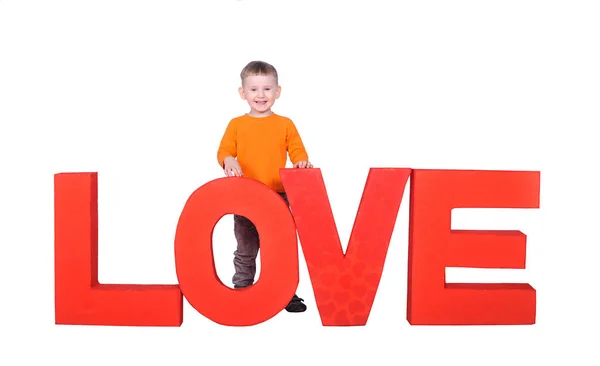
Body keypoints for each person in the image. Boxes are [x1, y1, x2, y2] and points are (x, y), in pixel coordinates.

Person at [216, 60, 312, 313]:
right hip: (245, 197)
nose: (261, 95)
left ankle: (286, 293)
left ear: (277, 92)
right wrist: (228, 159)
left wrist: (301, 161)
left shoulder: (285, 124)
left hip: (278, 196)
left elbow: (297, 149)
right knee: (246, 248)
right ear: (243, 93)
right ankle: (242, 289)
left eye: (267, 89)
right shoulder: (237, 124)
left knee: (278, 248)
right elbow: (225, 150)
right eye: (254, 89)